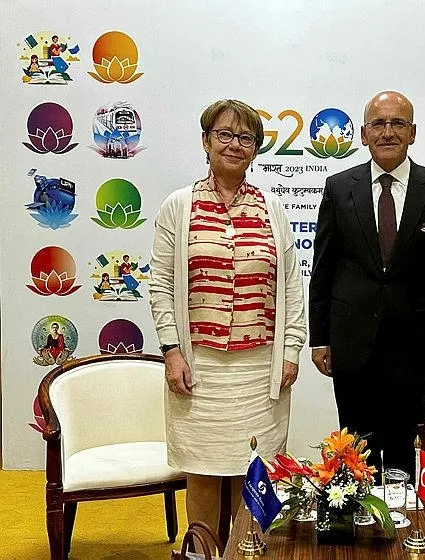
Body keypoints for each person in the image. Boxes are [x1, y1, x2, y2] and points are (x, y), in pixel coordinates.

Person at [149, 99, 306, 541]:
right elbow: (161, 284)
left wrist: (291, 350)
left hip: (259, 369)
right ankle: (201, 549)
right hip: (198, 367)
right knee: (201, 470)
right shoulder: (179, 206)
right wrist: (172, 351)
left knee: (252, 471)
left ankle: (248, 549)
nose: (234, 145)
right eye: (224, 135)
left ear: (255, 149)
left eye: (245, 138)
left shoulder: (272, 208)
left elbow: (291, 286)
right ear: (206, 141)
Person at [309, 91, 425, 481]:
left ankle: (397, 518)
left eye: (398, 123)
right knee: (354, 451)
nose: (388, 132)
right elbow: (323, 270)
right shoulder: (339, 188)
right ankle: (357, 517)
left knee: (401, 453)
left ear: (413, 133)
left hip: (413, 346)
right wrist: (320, 338)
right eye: (378, 123)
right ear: (363, 134)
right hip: (351, 343)